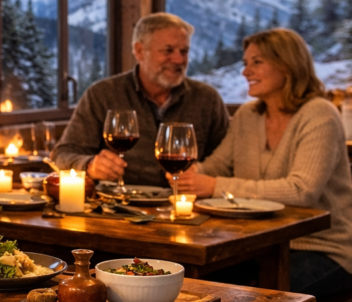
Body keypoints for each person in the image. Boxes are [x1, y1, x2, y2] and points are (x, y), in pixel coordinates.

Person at [175, 28, 352, 297]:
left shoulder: (319, 114)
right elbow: (217, 165)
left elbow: (302, 191)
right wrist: (192, 174)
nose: (245, 72)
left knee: (245, 299)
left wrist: (212, 185)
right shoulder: (247, 115)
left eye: (257, 62)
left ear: (288, 65)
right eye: (246, 63)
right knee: (194, 284)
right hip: (261, 246)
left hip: (328, 250)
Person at [52, 13, 229, 187]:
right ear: (139, 51)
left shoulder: (207, 99)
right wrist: (90, 165)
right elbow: (63, 155)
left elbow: (228, 161)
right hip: (119, 208)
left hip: (187, 207)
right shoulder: (103, 95)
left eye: (184, 51)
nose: (178, 60)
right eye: (168, 51)